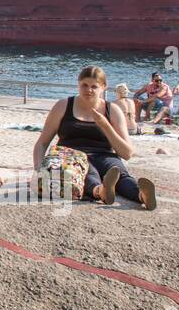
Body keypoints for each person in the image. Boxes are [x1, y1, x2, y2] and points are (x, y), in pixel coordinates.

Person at [35, 65, 157, 209]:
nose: (89, 90)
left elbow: (127, 153)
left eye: (94, 86)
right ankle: (101, 191)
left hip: (104, 155)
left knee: (119, 174)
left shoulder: (112, 110)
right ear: (78, 84)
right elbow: (42, 142)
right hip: (71, 156)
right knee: (86, 173)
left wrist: (105, 125)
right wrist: (38, 169)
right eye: (84, 85)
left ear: (103, 87)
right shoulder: (63, 106)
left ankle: (142, 195)